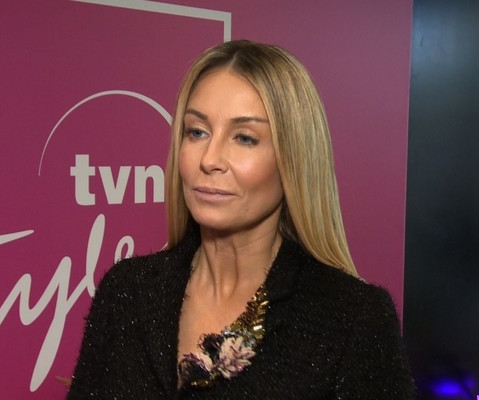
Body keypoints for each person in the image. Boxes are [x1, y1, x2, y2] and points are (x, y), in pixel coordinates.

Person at [67, 40, 416, 399]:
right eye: (197, 131)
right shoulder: (126, 292)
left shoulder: (354, 319)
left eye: (245, 138)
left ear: (293, 160)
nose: (210, 159)